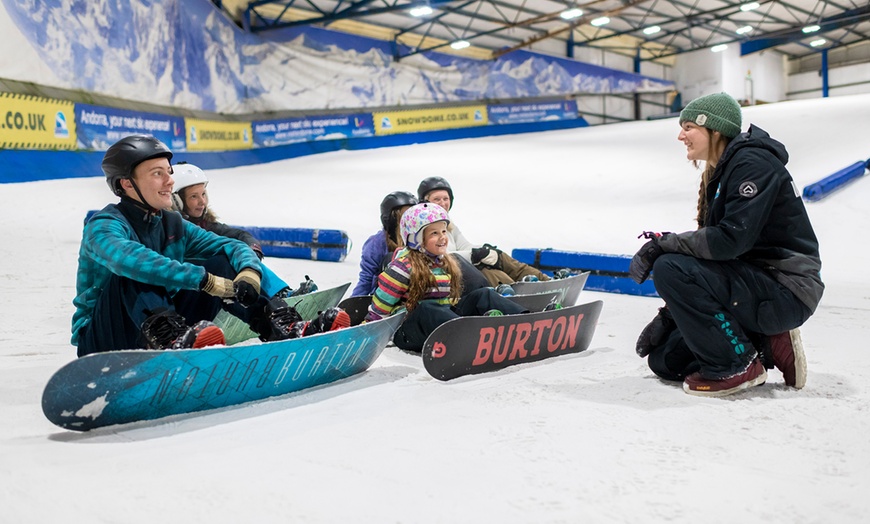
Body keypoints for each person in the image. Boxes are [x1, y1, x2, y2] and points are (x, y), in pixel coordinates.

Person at [71, 135, 342, 357]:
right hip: (104, 341)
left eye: (169, 172)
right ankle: (172, 341)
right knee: (137, 271)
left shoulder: (171, 223)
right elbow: (127, 259)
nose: (169, 182)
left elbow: (227, 245)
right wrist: (204, 280)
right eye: (157, 174)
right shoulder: (104, 225)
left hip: (161, 327)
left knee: (221, 262)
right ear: (126, 184)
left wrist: (248, 271)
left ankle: (281, 326)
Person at [628, 92, 824, 397]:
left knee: (669, 268)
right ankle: (766, 343)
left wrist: (664, 245)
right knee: (665, 360)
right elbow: (711, 256)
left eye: (689, 127)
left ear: (715, 129)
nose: (681, 135)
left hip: (785, 290)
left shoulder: (752, 163)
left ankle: (739, 365)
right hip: (752, 285)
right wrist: (670, 314)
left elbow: (729, 242)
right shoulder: (721, 173)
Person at [365, 202, 527, 352]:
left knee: (483, 294)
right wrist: (370, 331)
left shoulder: (442, 262)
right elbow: (381, 304)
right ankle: (472, 335)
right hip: (408, 331)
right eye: (434, 233)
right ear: (416, 239)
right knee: (427, 309)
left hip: (442, 323)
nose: (442, 237)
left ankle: (526, 322)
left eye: (443, 231)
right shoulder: (402, 266)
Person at [170, 162, 316, 298]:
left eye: (203, 194)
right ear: (177, 201)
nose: (202, 201)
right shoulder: (173, 228)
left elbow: (240, 235)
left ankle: (280, 293)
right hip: (191, 292)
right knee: (225, 259)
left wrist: (252, 250)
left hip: (213, 290)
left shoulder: (207, 224)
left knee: (244, 256)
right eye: (194, 196)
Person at [417, 176, 551, 287]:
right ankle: (516, 291)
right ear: (425, 202)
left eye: (445, 199)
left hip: (460, 266)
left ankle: (543, 281)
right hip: (446, 273)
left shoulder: (448, 224)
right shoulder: (424, 227)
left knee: (499, 257)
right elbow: (439, 255)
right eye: (437, 199)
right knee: (486, 270)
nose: (442, 203)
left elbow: (464, 245)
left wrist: (483, 250)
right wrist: (474, 255)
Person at [352, 190, 488, 297]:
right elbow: (366, 279)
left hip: (434, 292)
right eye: (406, 215)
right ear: (391, 219)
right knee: (392, 258)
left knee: (453, 259)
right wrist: (355, 305)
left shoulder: (425, 238)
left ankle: (487, 294)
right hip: (399, 294)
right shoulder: (377, 244)